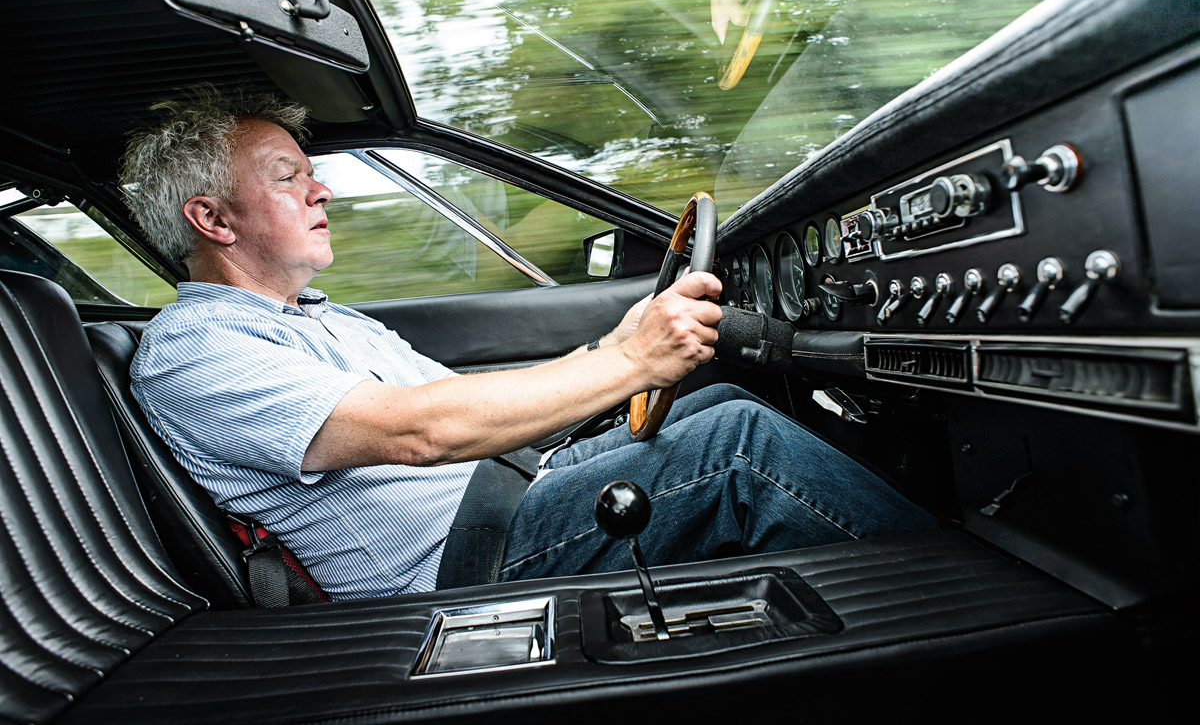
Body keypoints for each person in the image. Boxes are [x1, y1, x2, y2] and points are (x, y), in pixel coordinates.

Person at [121, 85, 936, 601]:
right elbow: (420, 430)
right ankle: (971, 607)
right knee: (734, 447)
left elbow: (476, 406)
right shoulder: (194, 349)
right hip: (454, 567)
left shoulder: (321, 317)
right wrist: (629, 359)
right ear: (215, 219)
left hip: (509, 495)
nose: (321, 188)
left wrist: (613, 349)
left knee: (718, 398)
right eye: (288, 175)